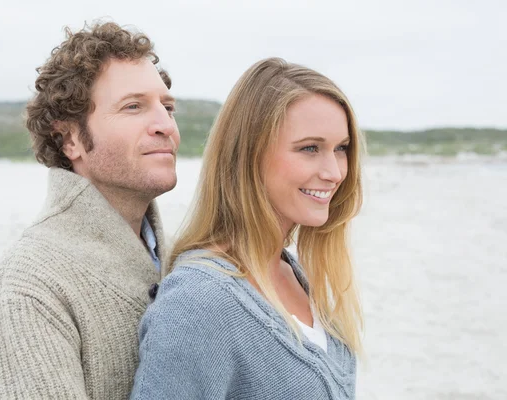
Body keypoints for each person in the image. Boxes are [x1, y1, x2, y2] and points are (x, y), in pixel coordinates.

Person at [131, 57, 364, 399]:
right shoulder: (199, 303)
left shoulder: (294, 274)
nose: (334, 172)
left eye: (341, 148)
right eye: (310, 148)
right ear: (249, 154)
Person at [0, 21, 179, 399]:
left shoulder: (183, 260)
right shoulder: (28, 289)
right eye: (134, 107)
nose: (165, 125)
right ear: (70, 138)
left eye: (168, 107)